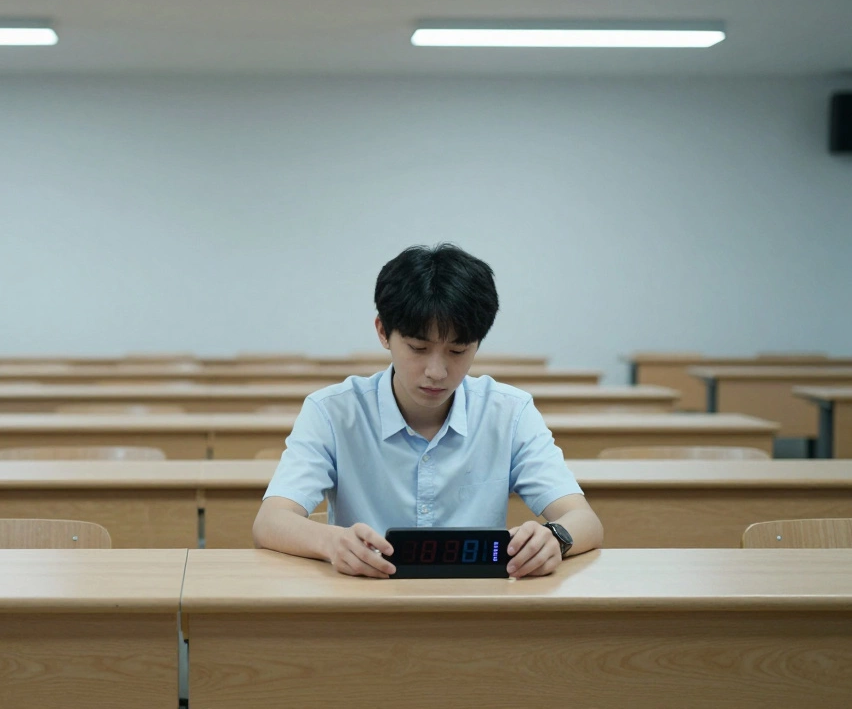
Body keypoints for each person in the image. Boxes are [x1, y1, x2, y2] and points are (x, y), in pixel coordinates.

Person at [252, 243, 603, 579]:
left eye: (457, 351)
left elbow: (584, 520)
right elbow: (270, 521)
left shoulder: (509, 413)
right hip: (364, 600)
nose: (437, 372)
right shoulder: (332, 412)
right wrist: (330, 542)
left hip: (478, 603)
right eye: (418, 348)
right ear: (383, 332)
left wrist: (555, 538)